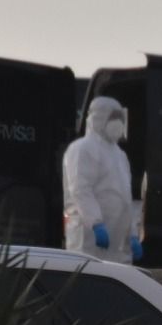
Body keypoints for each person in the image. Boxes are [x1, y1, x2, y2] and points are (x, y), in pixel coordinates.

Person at [63, 96, 142, 264]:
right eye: (114, 118)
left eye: (120, 119)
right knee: (87, 275)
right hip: (89, 235)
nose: (118, 124)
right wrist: (95, 223)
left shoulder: (120, 155)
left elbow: (126, 198)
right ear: (99, 118)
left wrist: (133, 234)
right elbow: (80, 190)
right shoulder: (82, 149)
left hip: (117, 240)